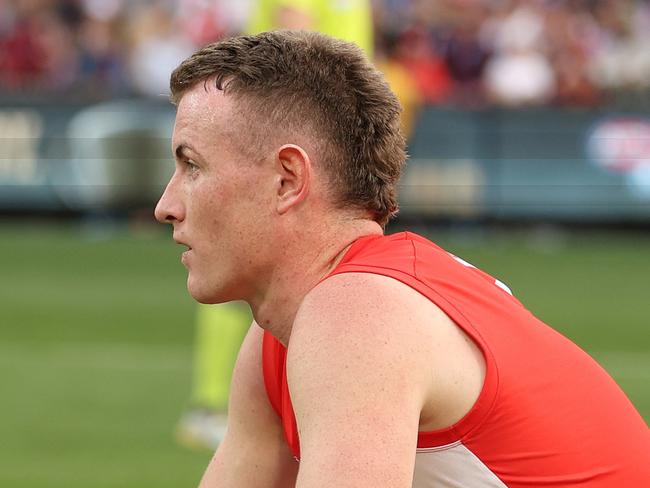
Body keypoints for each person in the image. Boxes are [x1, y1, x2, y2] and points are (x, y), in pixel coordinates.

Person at [155, 31, 650, 487]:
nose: (166, 205)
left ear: (288, 179)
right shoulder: (289, 331)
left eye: (192, 165)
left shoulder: (355, 313)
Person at [176, 0, 375, 450]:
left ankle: (234, 405)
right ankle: (217, 405)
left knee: (289, 276)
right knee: (263, 272)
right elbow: (295, 51)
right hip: (309, 147)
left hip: (326, 145)